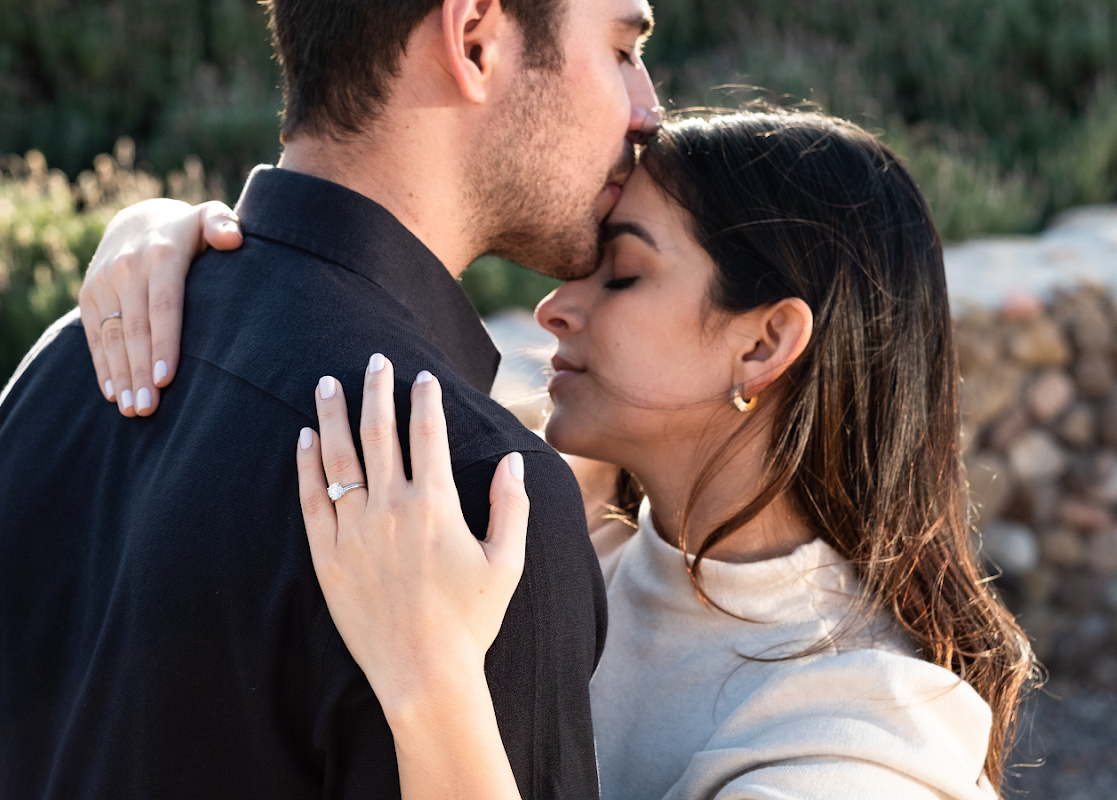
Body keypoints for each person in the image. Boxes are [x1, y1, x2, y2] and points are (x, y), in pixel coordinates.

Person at [81, 112, 1035, 799]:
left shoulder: (859, 744)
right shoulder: (572, 534)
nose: (554, 307)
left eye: (621, 272)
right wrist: (184, 241)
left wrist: (431, 682)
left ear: (762, 344)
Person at [0, 0, 662, 797]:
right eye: (622, 48)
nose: (648, 109)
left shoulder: (60, 370)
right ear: (474, 40)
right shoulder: (477, 504)